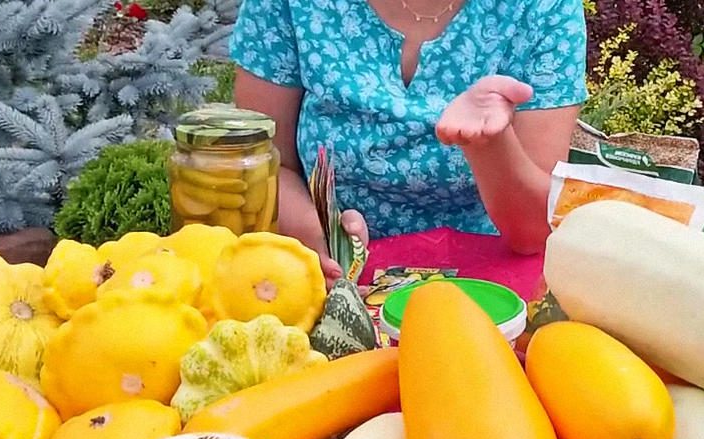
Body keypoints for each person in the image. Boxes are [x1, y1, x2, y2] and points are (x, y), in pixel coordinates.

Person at [230, 0, 587, 284]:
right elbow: (264, 162)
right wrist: (318, 233)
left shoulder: (544, 8)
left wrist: (489, 145)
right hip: (327, 276)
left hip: (485, 287)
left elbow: (533, 231)